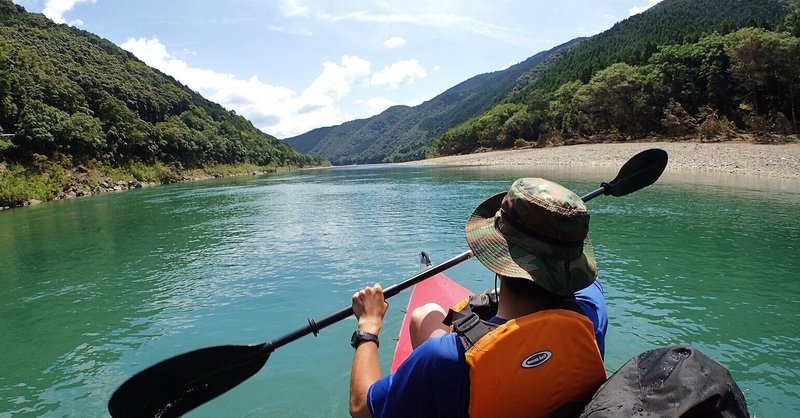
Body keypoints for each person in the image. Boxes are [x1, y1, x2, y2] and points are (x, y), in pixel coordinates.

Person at [349, 178, 609, 418]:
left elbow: (361, 407)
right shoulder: (592, 309)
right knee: (423, 315)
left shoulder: (446, 358)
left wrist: (368, 326)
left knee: (424, 315)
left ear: (497, 258)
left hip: (460, 372)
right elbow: (580, 281)